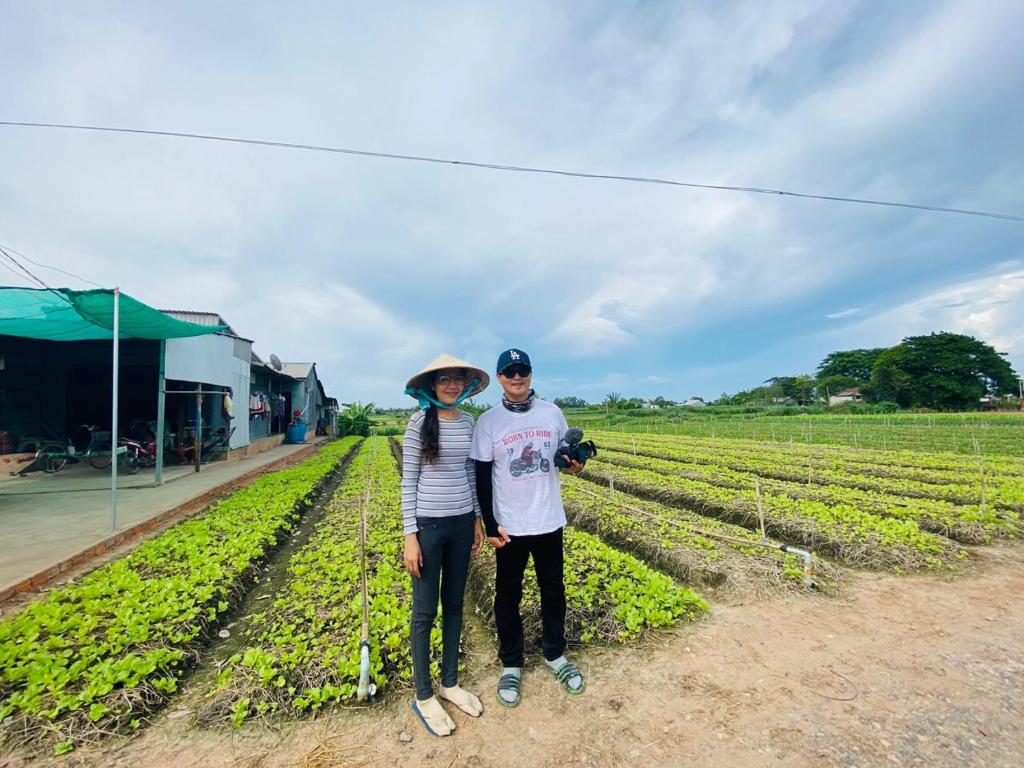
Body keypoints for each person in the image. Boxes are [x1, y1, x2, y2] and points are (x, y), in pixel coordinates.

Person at [470, 348, 585, 708]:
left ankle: (555, 654)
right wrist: (490, 525)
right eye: (509, 372)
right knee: (508, 595)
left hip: (549, 519)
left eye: (523, 370)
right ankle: (512, 663)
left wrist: (576, 465)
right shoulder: (488, 422)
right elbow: (482, 477)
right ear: (500, 378)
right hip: (510, 527)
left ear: (531, 374)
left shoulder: (552, 413)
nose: (517, 377)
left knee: (553, 589)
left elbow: (567, 460)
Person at [402, 353, 489, 736]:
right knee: (425, 611)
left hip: (459, 526)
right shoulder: (420, 421)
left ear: (465, 385)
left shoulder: (468, 422)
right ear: (432, 386)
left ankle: (449, 682)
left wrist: (476, 520)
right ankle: (423, 694)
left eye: (457, 379)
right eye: (444, 380)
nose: (451, 385)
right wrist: (410, 536)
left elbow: (470, 472)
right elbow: (408, 480)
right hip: (429, 528)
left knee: (455, 605)